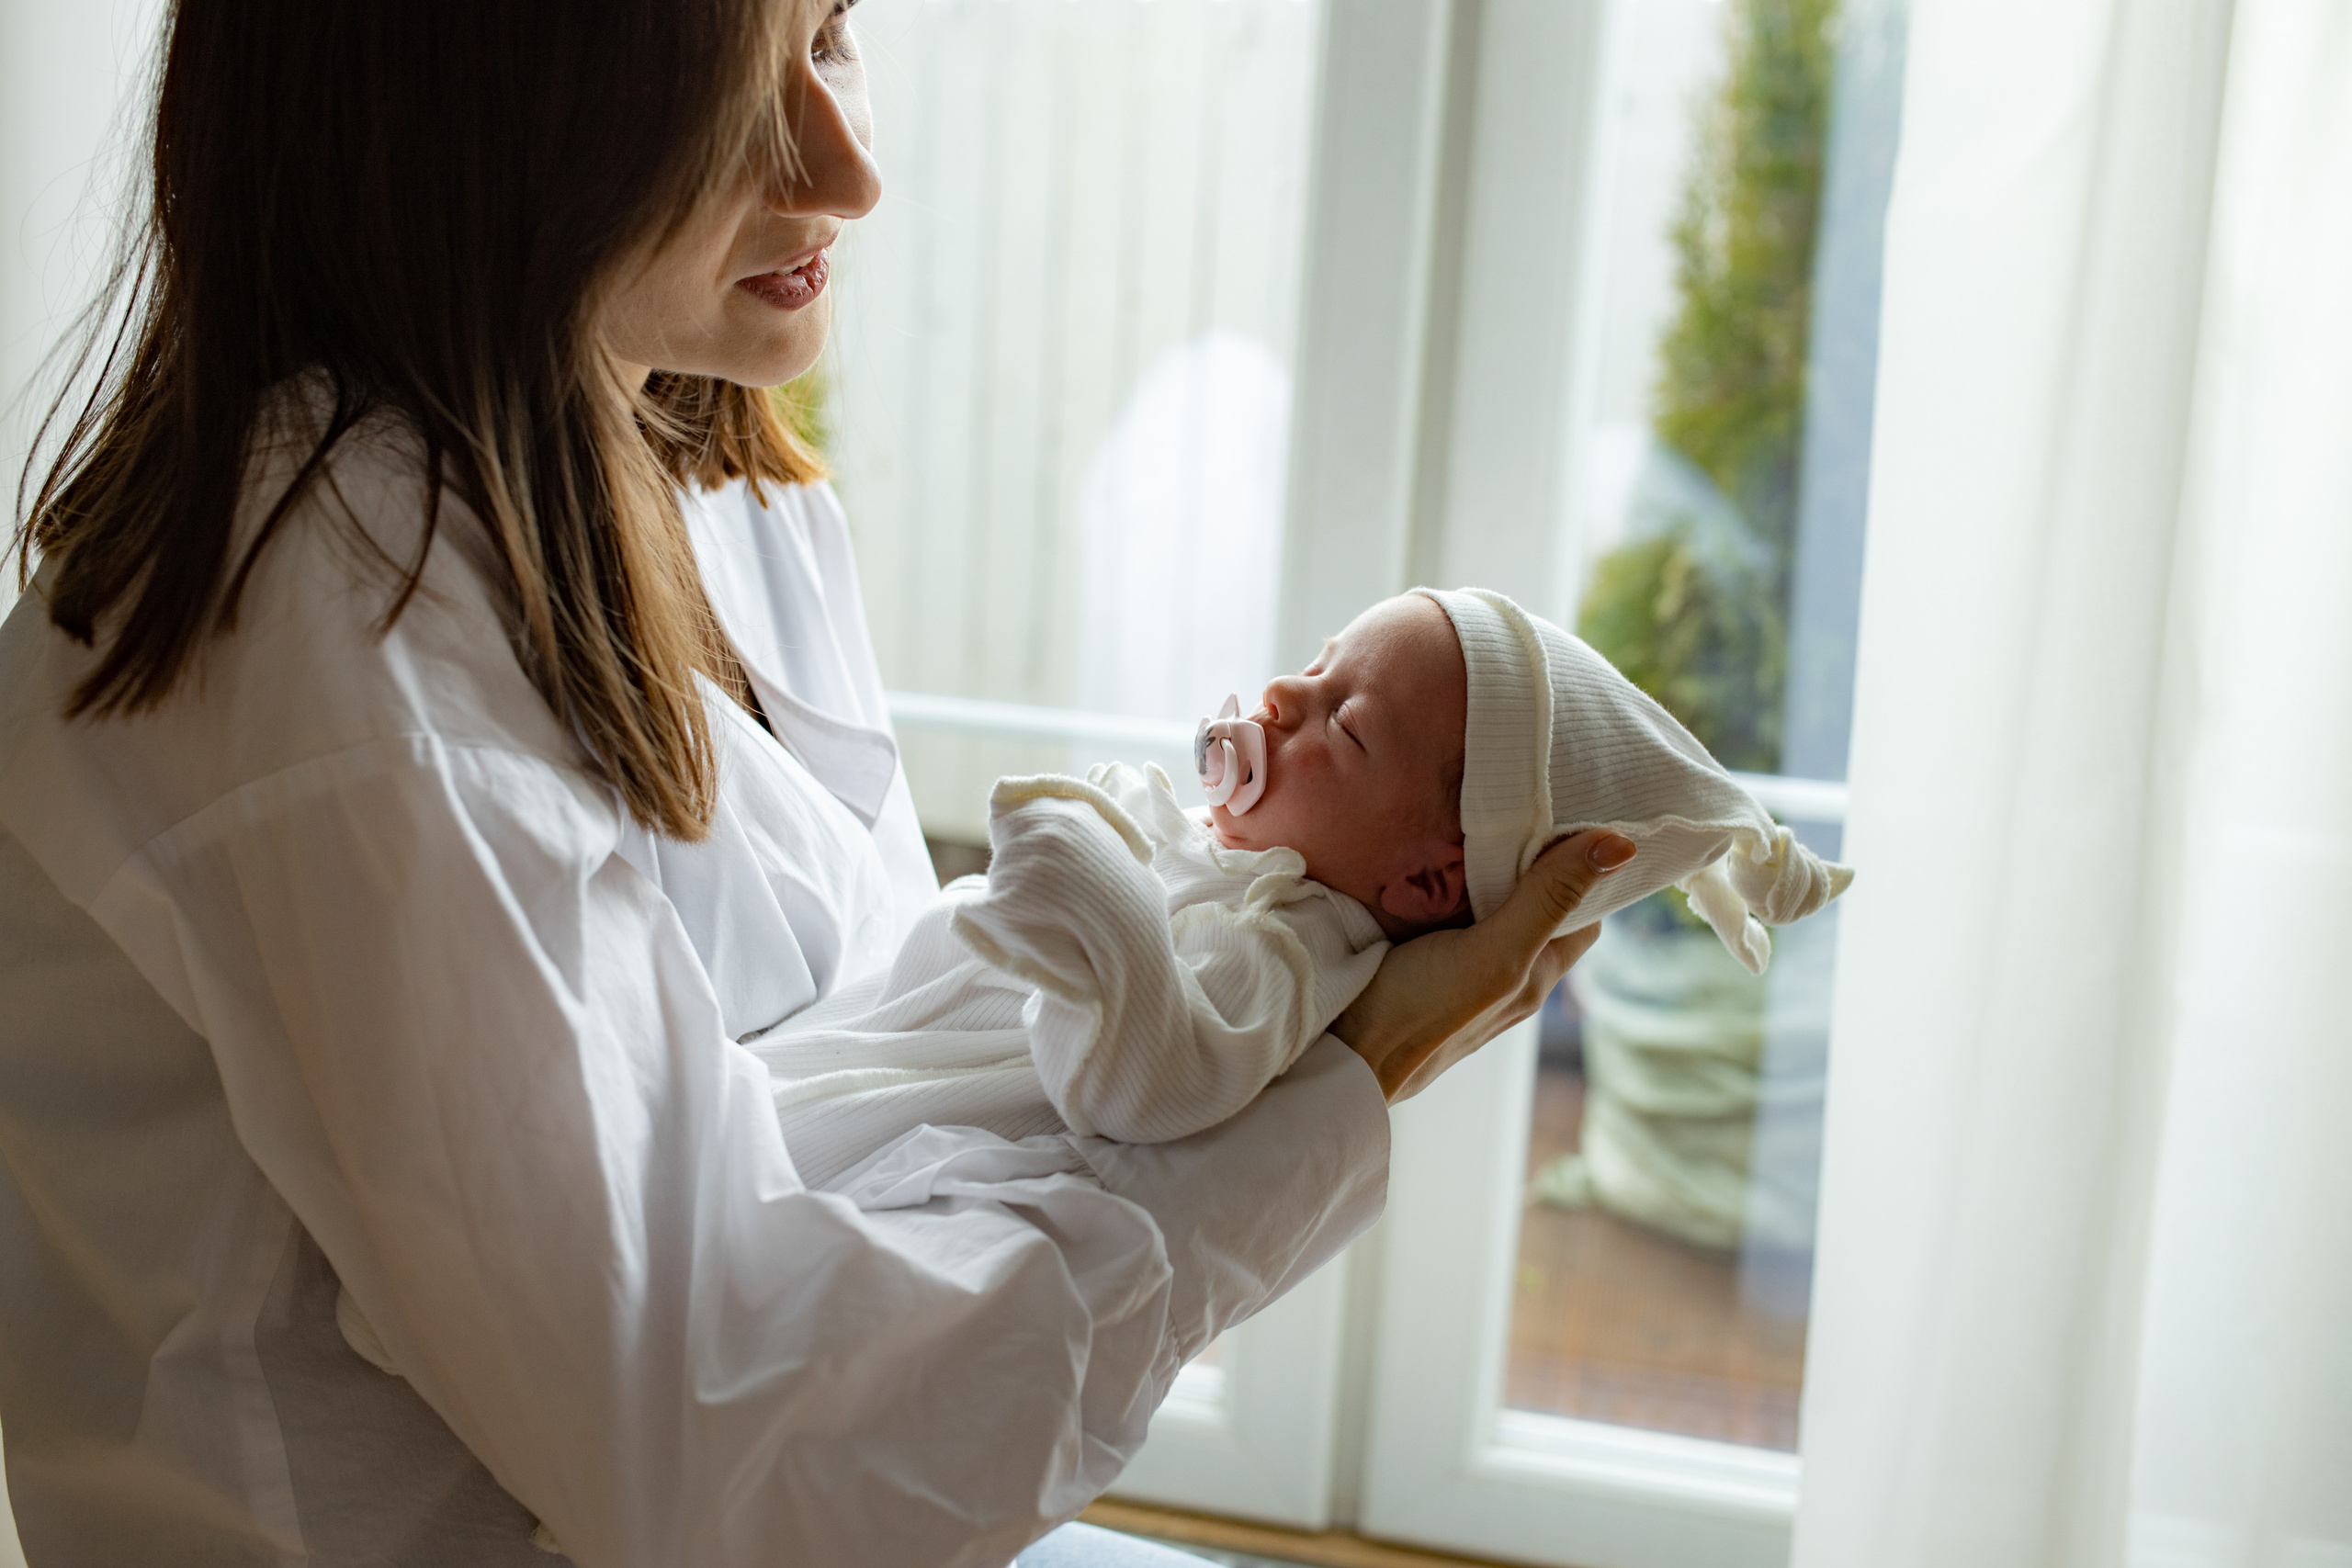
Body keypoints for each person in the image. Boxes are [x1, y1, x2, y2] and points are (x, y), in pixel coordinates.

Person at [0, 2, 1631, 1564]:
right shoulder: (330, 634)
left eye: (835, 32)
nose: (851, 165)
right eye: (721, 90)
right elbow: (721, 1474)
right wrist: (1343, 1076)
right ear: (474, 111)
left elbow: (886, 1159)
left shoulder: (718, 490)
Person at [729, 590, 1849, 1194]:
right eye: (1316, 665)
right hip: (834, 1048)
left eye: (1343, 724)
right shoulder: (1242, 871)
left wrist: (1085, 877)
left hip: (853, 1145)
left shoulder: (1298, 950)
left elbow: (1141, 1089)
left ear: (1423, 877)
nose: (1283, 693)